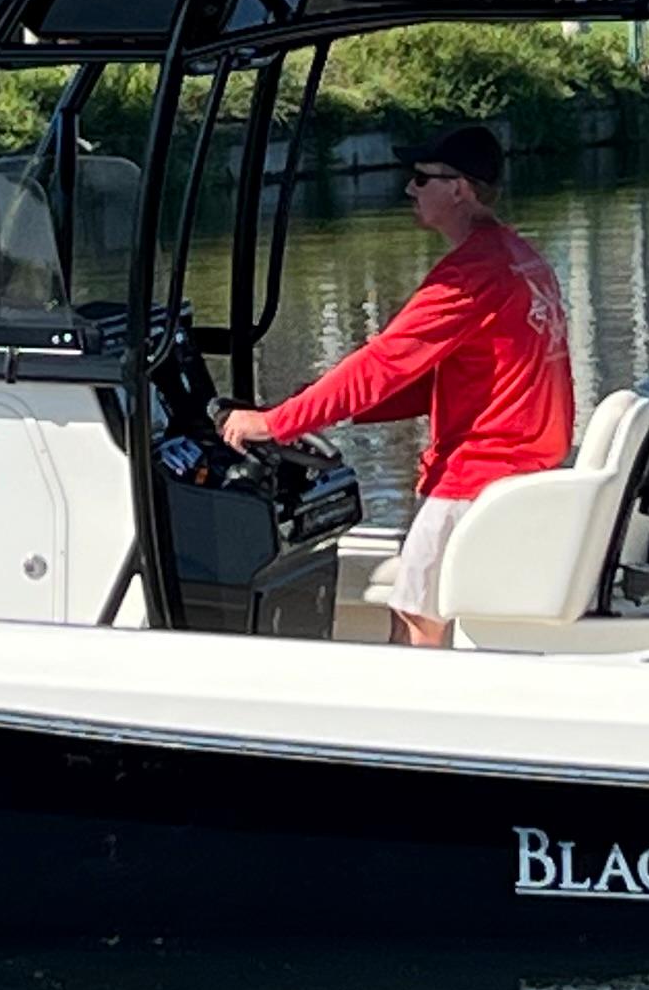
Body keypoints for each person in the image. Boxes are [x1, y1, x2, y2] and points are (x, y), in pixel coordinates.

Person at [219, 122, 573, 646]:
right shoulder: (521, 259)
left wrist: (275, 422)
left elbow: (381, 364)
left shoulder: (469, 275)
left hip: (476, 476)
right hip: (520, 468)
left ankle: (412, 722)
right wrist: (322, 406)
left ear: (460, 189)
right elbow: (447, 373)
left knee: (413, 625)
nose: (409, 188)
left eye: (422, 178)